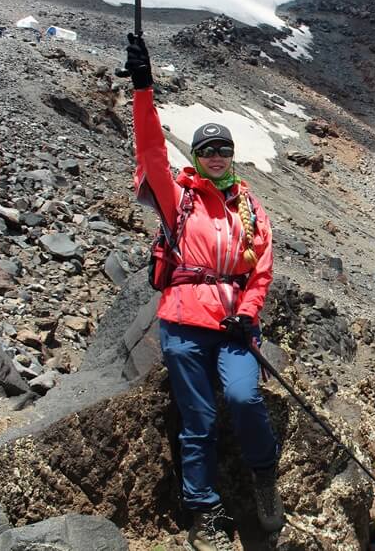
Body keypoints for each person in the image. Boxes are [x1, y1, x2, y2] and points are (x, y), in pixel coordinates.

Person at [125, 34, 284, 551]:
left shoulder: (250, 207)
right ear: (196, 155)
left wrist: (249, 311)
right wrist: (143, 90)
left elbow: (261, 268)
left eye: (225, 149)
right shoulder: (179, 199)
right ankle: (204, 510)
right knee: (199, 420)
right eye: (209, 149)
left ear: (233, 157)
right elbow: (149, 148)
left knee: (243, 396)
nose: (218, 156)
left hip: (236, 325)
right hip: (183, 324)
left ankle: (264, 477)